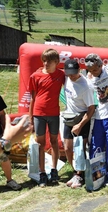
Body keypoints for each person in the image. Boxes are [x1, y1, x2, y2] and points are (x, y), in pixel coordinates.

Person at [28, 48, 65, 188]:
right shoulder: (35, 76)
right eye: (44, 60)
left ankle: (54, 170)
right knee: (40, 143)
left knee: (54, 141)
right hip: (39, 113)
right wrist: (30, 117)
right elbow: (32, 98)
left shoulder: (61, 75)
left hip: (54, 113)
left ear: (56, 62)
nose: (45, 63)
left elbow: (75, 79)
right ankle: (42, 172)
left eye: (49, 61)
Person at [85, 53, 108, 187]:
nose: (93, 73)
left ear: (101, 65)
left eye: (95, 69)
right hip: (98, 117)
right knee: (96, 145)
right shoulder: (89, 78)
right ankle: (97, 175)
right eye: (90, 71)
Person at [62, 59, 95, 189]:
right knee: (67, 148)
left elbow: (91, 109)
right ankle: (75, 172)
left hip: (82, 118)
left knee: (80, 149)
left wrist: (80, 125)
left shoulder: (85, 86)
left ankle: (80, 175)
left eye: (74, 73)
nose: (71, 76)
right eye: (69, 74)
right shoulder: (65, 78)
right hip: (69, 118)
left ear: (79, 70)